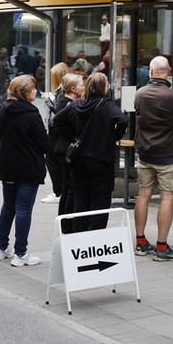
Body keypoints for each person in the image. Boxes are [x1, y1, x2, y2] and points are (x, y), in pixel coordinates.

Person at [133, 56, 173, 261]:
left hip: (145, 152)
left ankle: (140, 242)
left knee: (143, 194)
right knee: (168, 197)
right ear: (168, 72)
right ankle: (161, 247)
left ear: (151, 72)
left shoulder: (140, 93)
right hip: (168, 154)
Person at [51, 72, 127, 232]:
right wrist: (113, 136)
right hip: (101, 159)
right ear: (103, 87)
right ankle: (96, 234)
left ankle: (80, 234)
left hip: (79, 159)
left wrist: (74, 136)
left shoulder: (77, 103)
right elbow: (122, 120)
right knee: (100, 199)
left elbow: (57, 120)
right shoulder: (107, 105)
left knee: (81, 198)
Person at [0, 75, 50, 266]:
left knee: (8, 206)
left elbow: (0, 137)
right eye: (33, 89)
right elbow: (44, 144)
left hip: (7, 166)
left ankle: (1, 248)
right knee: (23, 209)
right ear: (25, 92)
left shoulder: (3, 111)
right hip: (27, 168)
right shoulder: (31, 114)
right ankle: (20, 253)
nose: (35, 91)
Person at [48, 73, 85, 233]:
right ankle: (66, 224)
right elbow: (59, 125)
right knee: (68, 188)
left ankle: (65, 222)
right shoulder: (67, 104)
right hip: (65, 150)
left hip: (63, 148)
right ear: (73, 88)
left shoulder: (67, 102)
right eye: (81, 85)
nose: (84, 87)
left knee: (67, 187)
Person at [41, 62, 71, 205]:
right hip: (58, 131)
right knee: (56, 161)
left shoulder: (62, 92)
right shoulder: (64, 91)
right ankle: (60, 191)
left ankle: (58, 192)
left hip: (56, 132)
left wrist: (47, 99)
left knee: (53, 161)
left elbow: (58, 111)